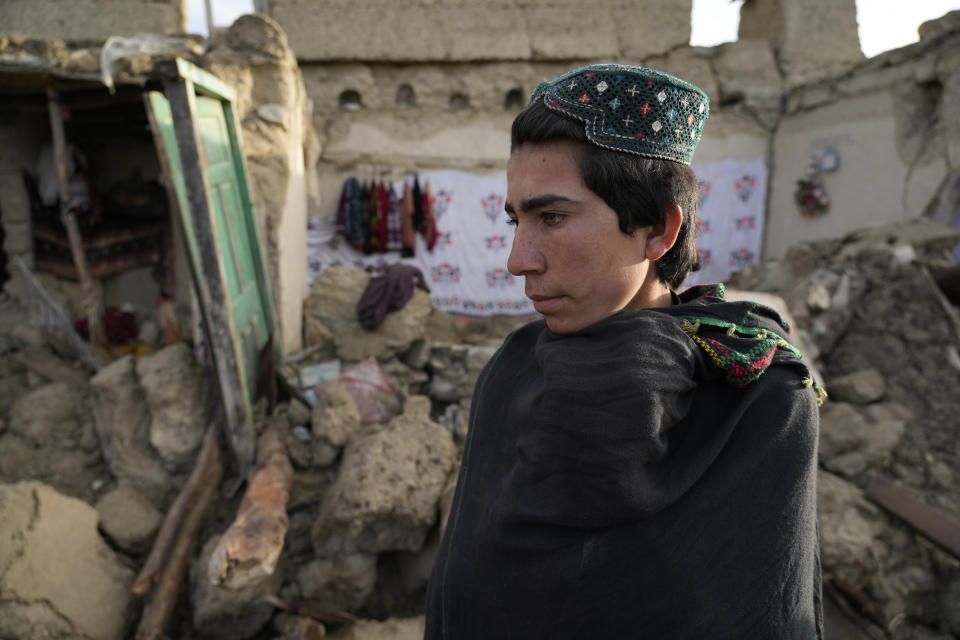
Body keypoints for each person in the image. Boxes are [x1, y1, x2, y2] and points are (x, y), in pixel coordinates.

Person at [424, 63, 825, 639]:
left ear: (658, 230)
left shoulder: (757, 394)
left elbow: (765, 607)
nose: (518, 260)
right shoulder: (518, 364)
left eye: (552, 218)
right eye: (516, 221)